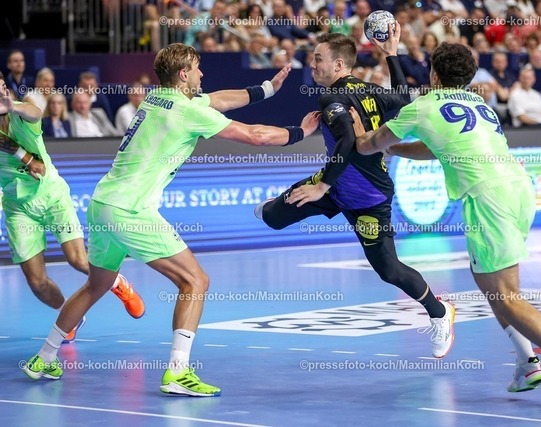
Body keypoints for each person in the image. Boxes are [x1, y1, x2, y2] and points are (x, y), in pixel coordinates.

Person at [21, 43, 320, 397]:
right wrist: (301, 133)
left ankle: (44, 357)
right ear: (183, 74)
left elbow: (218, 100)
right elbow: (255, 136)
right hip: (131, 210)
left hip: (102, 204)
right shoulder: (186, 110)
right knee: (195, 281)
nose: (202, 74)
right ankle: (178, 372)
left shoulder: (156, 98)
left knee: (96, 285)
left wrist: (267, 88)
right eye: (197, 68)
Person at [350, 42, 541, 408]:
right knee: (488, 282)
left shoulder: (423, 105)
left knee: (507, 295)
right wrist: (395, 149)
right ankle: (526, 363)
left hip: (488, 199)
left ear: (433, 75)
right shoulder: (478, 102)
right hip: (518, 189)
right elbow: (435, 147)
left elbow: (366, 145)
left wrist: (360, 131)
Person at [254, 29, 455, 358]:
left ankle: (440, 312)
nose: (312, 64)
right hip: (336, 184)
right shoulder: (370, 90)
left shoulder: (332, 98)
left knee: (390, 271)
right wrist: (391, 54)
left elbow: (348, 141)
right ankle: (280, 205)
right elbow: (402, 99)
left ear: (339, 65)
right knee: (273, 217)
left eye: (318, 59)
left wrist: (321, 186)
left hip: (367, 198)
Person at [0, 72, 145, 344]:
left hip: (51, 195)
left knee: (78, 259)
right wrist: (26, 158)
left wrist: (13, 106)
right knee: (37, 283)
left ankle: (118, 284)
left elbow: (35, 112)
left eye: (2, 89)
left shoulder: (22, 114)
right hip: (18, 207)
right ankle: (70, 316)